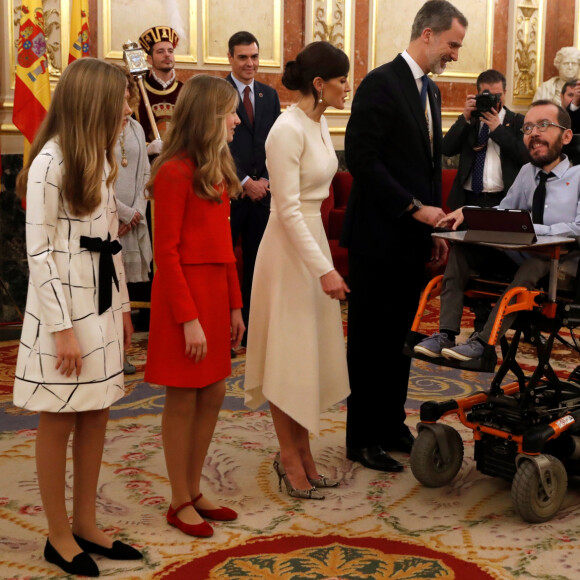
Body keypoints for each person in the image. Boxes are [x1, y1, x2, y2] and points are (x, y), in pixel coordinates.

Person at [12, 58, 142, 577]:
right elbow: (38, 253)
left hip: (102, 301)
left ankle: (87, 522)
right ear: (95, 104)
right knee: (60, 414)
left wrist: (127, 306)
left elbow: (109, 238)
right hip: (60, 310)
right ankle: (58, 535)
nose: (128, 110)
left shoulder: (98, 154)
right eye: (122, 101)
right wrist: (62, 328)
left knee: (96, 409)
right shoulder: (50, 161)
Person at [340, 0, 468, 472]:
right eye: (453, 43)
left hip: (413, 239)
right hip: (378, 238)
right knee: (370, 341)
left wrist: (434, 227)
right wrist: (415, 209)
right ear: (428, 35)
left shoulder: (430, 92)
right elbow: (362, 159)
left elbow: (431, 167)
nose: (455, 53)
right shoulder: (381, 83)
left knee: (401, 340)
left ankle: (391, 424)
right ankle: (362, 437)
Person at [244, 41, 351, 499]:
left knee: (308, 357)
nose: (348, 87)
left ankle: (304, 453)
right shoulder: (285, 129)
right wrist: (324, 269)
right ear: (319, 84)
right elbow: (287, 210)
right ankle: (289, 458)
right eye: (343, 79)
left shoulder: (319, 121)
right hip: (289, 252)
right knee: (288, 358)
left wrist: (323, 262)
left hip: (311, 245)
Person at [144, 75, 245, 537]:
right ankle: (178, 498)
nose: (237, 119)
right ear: (208, 117)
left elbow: (225, 245)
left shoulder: (216, 171)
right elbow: (165, 253)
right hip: (183, 299)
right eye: (230, 112)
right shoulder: (173, 171)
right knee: (183, 397)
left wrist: (234, 307)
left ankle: (194, 488)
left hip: (215, 295)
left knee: (215, 392)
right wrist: (189, 320)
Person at [414, 101, 580, 362]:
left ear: (567, 135)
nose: (534, 133)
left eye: (543, 125)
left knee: (536, 263)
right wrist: (467, 211)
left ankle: (483, 342)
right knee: (462, 251)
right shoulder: (527, 172)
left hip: (561, 263)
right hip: (520, 254)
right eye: (528, 128)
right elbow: (503, 211)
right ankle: (445, 334)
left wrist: (531, 229)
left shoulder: (579, 177)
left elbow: (578, 228)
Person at [226, 31, 281, 347]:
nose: (251, 63)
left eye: (255, 57)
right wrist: (244, 181)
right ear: (231, 58)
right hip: (231, 193)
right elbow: (218, 146)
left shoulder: (268, 95)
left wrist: (267, 182)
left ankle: (250, 328)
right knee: (226, 264)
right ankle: (224, 326)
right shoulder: (218, 93)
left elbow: (275, 143)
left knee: (259, 264)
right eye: (244, 57)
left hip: (264, 196)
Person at [443, 69, 528, 210]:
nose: (493, 101)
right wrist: (464, 118)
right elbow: (447, 149)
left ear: (505, 93)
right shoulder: (471, 120)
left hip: (503, 199)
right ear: (478, 95)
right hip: (468, 199)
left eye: (497, 96)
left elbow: (524, 156)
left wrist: (498, 130)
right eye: (487, 96)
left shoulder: (517, 121)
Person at [115, 68, 153, 374]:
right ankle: (111, 350)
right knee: (110, 289)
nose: (127, 107)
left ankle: (122, 350)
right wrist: (123, 214)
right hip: (109, 220)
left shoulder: (137, 129)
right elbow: (96, 181)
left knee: (125, 289)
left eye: (129, 96)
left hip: (134, 220)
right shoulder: (99, 130)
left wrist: (137, 211)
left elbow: (144, 174)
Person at [137, 25, 183, 155]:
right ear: (149, 59)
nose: (167, 55)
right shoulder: (138, 91)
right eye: (160, 51)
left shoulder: (185, 91)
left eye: (170, 51)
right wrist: (147, 147)